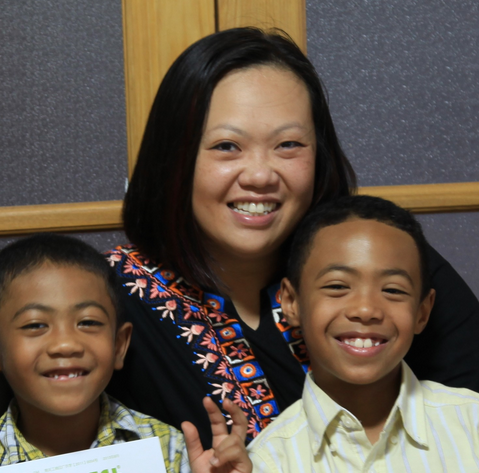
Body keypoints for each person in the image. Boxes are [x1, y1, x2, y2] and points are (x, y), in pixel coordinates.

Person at [105, 27, 479, 448]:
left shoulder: (383, 261)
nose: (260, 175)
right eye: (226, 146)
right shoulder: (101, 302)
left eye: (288, 144)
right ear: (174, 157)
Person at [248, 195, 479, 473]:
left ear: (422, 312)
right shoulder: (266, 464)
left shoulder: (472, 424)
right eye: (337, 286)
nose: (366, 310)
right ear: (291, 303)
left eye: (393, 290)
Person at [0, 234, 252, 473]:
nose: (66, 344)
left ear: (119, 346)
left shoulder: (168, 451)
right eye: (35, 325)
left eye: (88, 322)